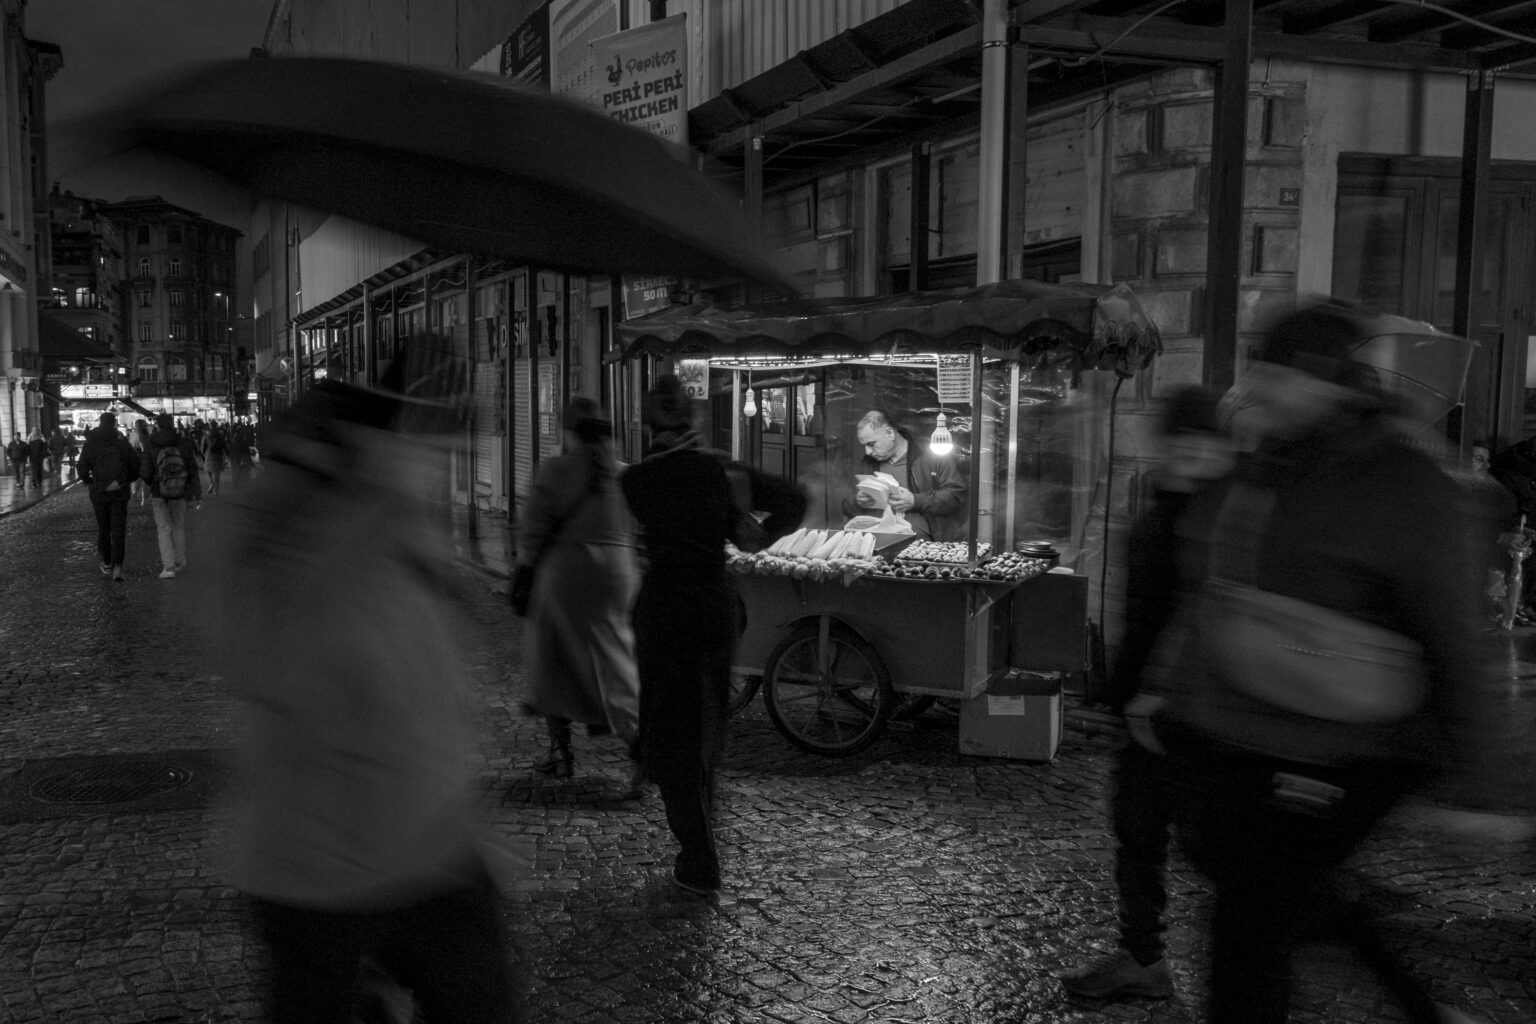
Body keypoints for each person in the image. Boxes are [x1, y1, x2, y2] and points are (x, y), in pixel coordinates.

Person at [1144, 302, 1489, 1024]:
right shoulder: (1268, 460)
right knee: (1277, 896)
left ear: (1324, 380)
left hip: (1345, 746)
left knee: (1251, 922)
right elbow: (1212, 583)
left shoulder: (1401, 481)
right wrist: (1167, 692)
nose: (1257, 386)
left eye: (1273, 372)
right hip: (1246, 732)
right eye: (1257, 369)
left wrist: (1477, 775)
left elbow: (1453, 632)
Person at [208, 341, 519, 1023]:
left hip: (422, 845)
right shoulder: (310, 523)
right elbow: (266, 655)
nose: (450, 445)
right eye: (439, 421)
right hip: (324, 867)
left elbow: (428, 670)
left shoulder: (395, 514)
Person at [1059, 386, 1233, 1001]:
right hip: (1148, 716)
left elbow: (1211, 620)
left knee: (1216, 849)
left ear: (1219, 446)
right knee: (1137, 831)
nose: (1189, 450)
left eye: (1201, 439)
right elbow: (1143, 617)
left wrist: (1161, 691)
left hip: (1202, 715)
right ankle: (1142, 956)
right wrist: (1116, 696)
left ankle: (1275, 946)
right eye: (1179, 438)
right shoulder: (1159, 512)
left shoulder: (1228, 520)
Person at [621, 375, 803, 896]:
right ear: (694, 418)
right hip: (715, 606)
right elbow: (794, 498)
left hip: (664, 610)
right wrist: (756, 537)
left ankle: (698, 858)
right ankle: (699, 842)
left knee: (671, 730)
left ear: (647, 421)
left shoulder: (636, 480)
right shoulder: (723, 470)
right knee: (703, 725)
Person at [516, 397, 641, 783]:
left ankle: (561, 751)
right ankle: (639, 753)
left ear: (570, 431)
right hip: (619, 577)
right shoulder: (627, 476)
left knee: (553, 660)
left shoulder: (555, 471)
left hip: (567, 573)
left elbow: (533, 529)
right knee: (616, 662)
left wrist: (525, 568)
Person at [840, 409, 966, 540]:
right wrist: (858, 501)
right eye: (865, 446)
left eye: (871, 444)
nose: (868, 451)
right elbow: (846, 504)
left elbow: (957, 496)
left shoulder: (932, 455)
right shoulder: (867, 463)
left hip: (921, 542)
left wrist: (915, 501)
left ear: (889, 433)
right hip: (877, 538)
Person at [77, 412, 137, 582]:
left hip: (99, 491)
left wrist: (89, 480)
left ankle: (106, 562)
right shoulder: (121, 440)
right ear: (114, 423)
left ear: (100, 422)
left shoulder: (92, 441)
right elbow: (134, 463)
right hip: (119, 491)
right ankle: (118, 565)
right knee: (118, 528)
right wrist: (125, 480)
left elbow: (82, 466)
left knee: (103, 527)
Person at [141, 412, 200, 579]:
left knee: (163, 529)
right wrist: (196, 493)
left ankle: (168, 567)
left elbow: (144, 471)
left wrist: (154, 482)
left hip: (159, 493)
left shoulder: (151, 444)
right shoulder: (184, 442)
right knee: (178, 526)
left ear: (157, 426)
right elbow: (192, 469)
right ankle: (181, 561)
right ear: (173, 423)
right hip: (180, 491)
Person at [130, 419, 152, 506]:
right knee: (144, 479)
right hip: (143, 459)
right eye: (144, 425)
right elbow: (144, 448)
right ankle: (142, 499)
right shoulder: (142, 435)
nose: (146, 426)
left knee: (138, 479)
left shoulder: (134, 434)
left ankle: (136, 498)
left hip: (138, 459)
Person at [205, 423, 228, 496]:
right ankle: (216, 491)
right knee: (217, 474)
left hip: (209, 454)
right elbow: (225, 445)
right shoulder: (220, 435)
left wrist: (204, 453)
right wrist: (228, 455)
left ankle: (211, 482)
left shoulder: (206, 435)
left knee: (207, 470)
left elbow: (202, 447)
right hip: (219, 455)